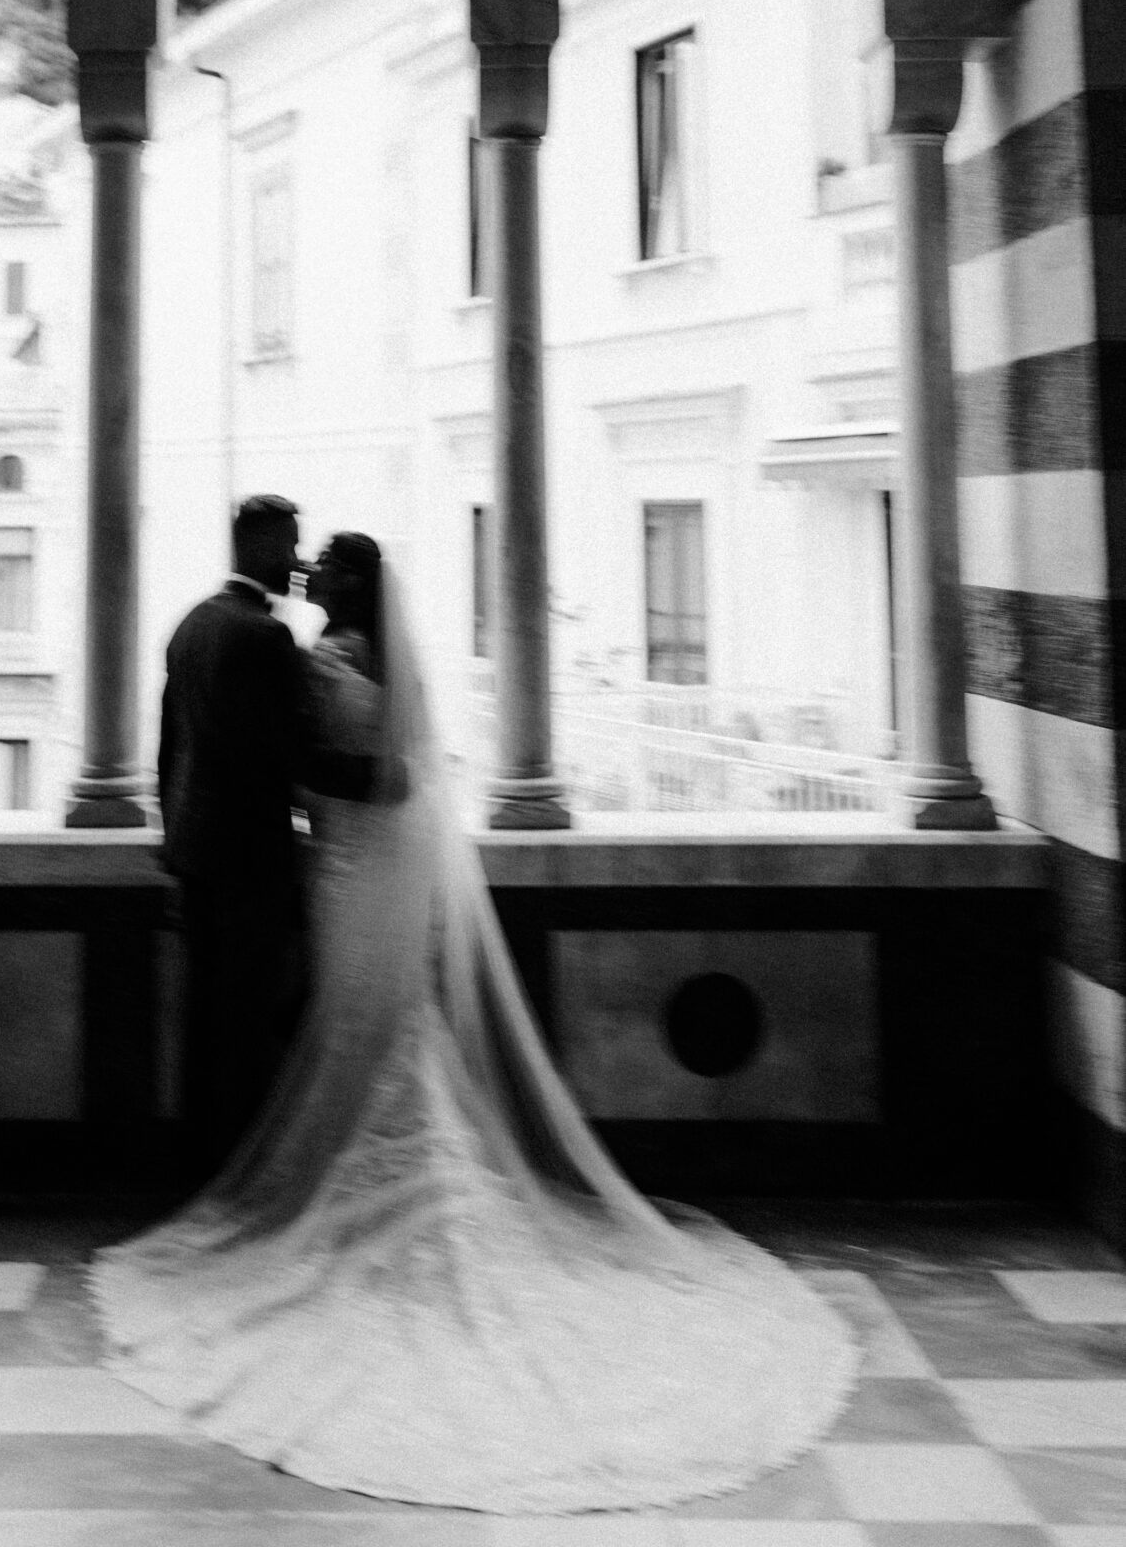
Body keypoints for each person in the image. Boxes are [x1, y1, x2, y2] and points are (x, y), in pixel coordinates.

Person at [96, 532, 858, 1516]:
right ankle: (371, 1184)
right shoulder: (316, 649)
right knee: (358, 1028)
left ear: (352, 584)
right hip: (347, 866)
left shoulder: (330, 655)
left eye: (327, 560)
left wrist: (293, 785)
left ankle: (378, 1193)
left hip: (354, 864)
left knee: (367, 1026)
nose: (311, 566)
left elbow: (389, 776)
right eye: (307, 553)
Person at [156, 495, 407, 1177]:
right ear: (261, 548)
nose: (297, 562)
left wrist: (174, 844)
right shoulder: (263, 638)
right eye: (290, 546)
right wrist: (385, 782)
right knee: (245, 1022)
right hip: (250, 860)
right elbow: (293, 758)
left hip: (196, 853)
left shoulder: (191, 624)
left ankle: (200, 1164)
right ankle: (239, 1168)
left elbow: (169, 750)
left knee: (205, 1018)